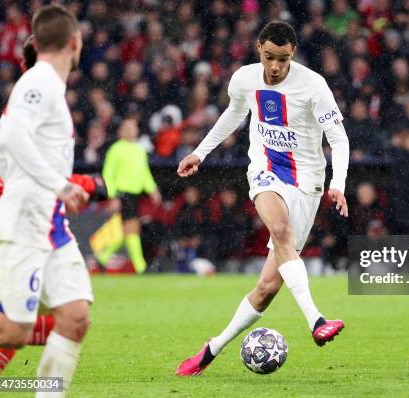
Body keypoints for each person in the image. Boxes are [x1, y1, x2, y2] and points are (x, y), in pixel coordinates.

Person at [176, 21, 349, 376]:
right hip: (266, 171)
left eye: (283, 59)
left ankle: (211, 349)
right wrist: (200, 153)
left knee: (268, 287)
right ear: (259, 48)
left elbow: (340, 138)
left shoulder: (314, 86)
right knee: (280, 228)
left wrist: (339, 183)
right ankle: (316, 320)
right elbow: (234, 114)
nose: (275, 66)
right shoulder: (243, 79)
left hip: (308, 183)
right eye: (269, 57)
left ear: (293, 54)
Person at [0, 34, 108, 381]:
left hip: (43, 225)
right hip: (6, 222)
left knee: (68, 319)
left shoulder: (42, 98)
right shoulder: (33, 97)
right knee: (12, 332)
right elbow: (5, 165)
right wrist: (83, 184)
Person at [101, 117, 161, 274]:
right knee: (132, 227)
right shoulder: (116, 149)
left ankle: (104, 257)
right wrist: (112, 196)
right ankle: (140, 266)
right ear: (120, 131)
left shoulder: (139, 149)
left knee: (128, 229)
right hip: (122, 193)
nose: (129, 131)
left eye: (132, 128)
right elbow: (108, 174)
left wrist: (152, 189)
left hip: (135, 195)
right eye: (126, 128)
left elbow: (144, 173)